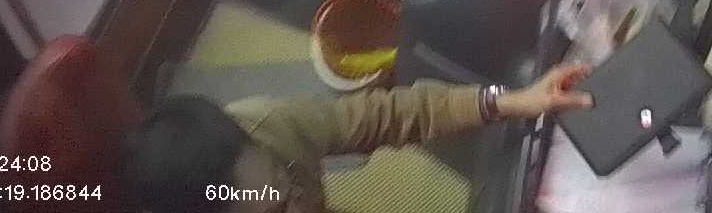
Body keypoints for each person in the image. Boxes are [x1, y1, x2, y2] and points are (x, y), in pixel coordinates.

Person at [122, 64, 593, 212]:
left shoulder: (265, 125)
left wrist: (512, 101)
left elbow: (388, 114)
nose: (292, 201)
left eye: (283, 180)